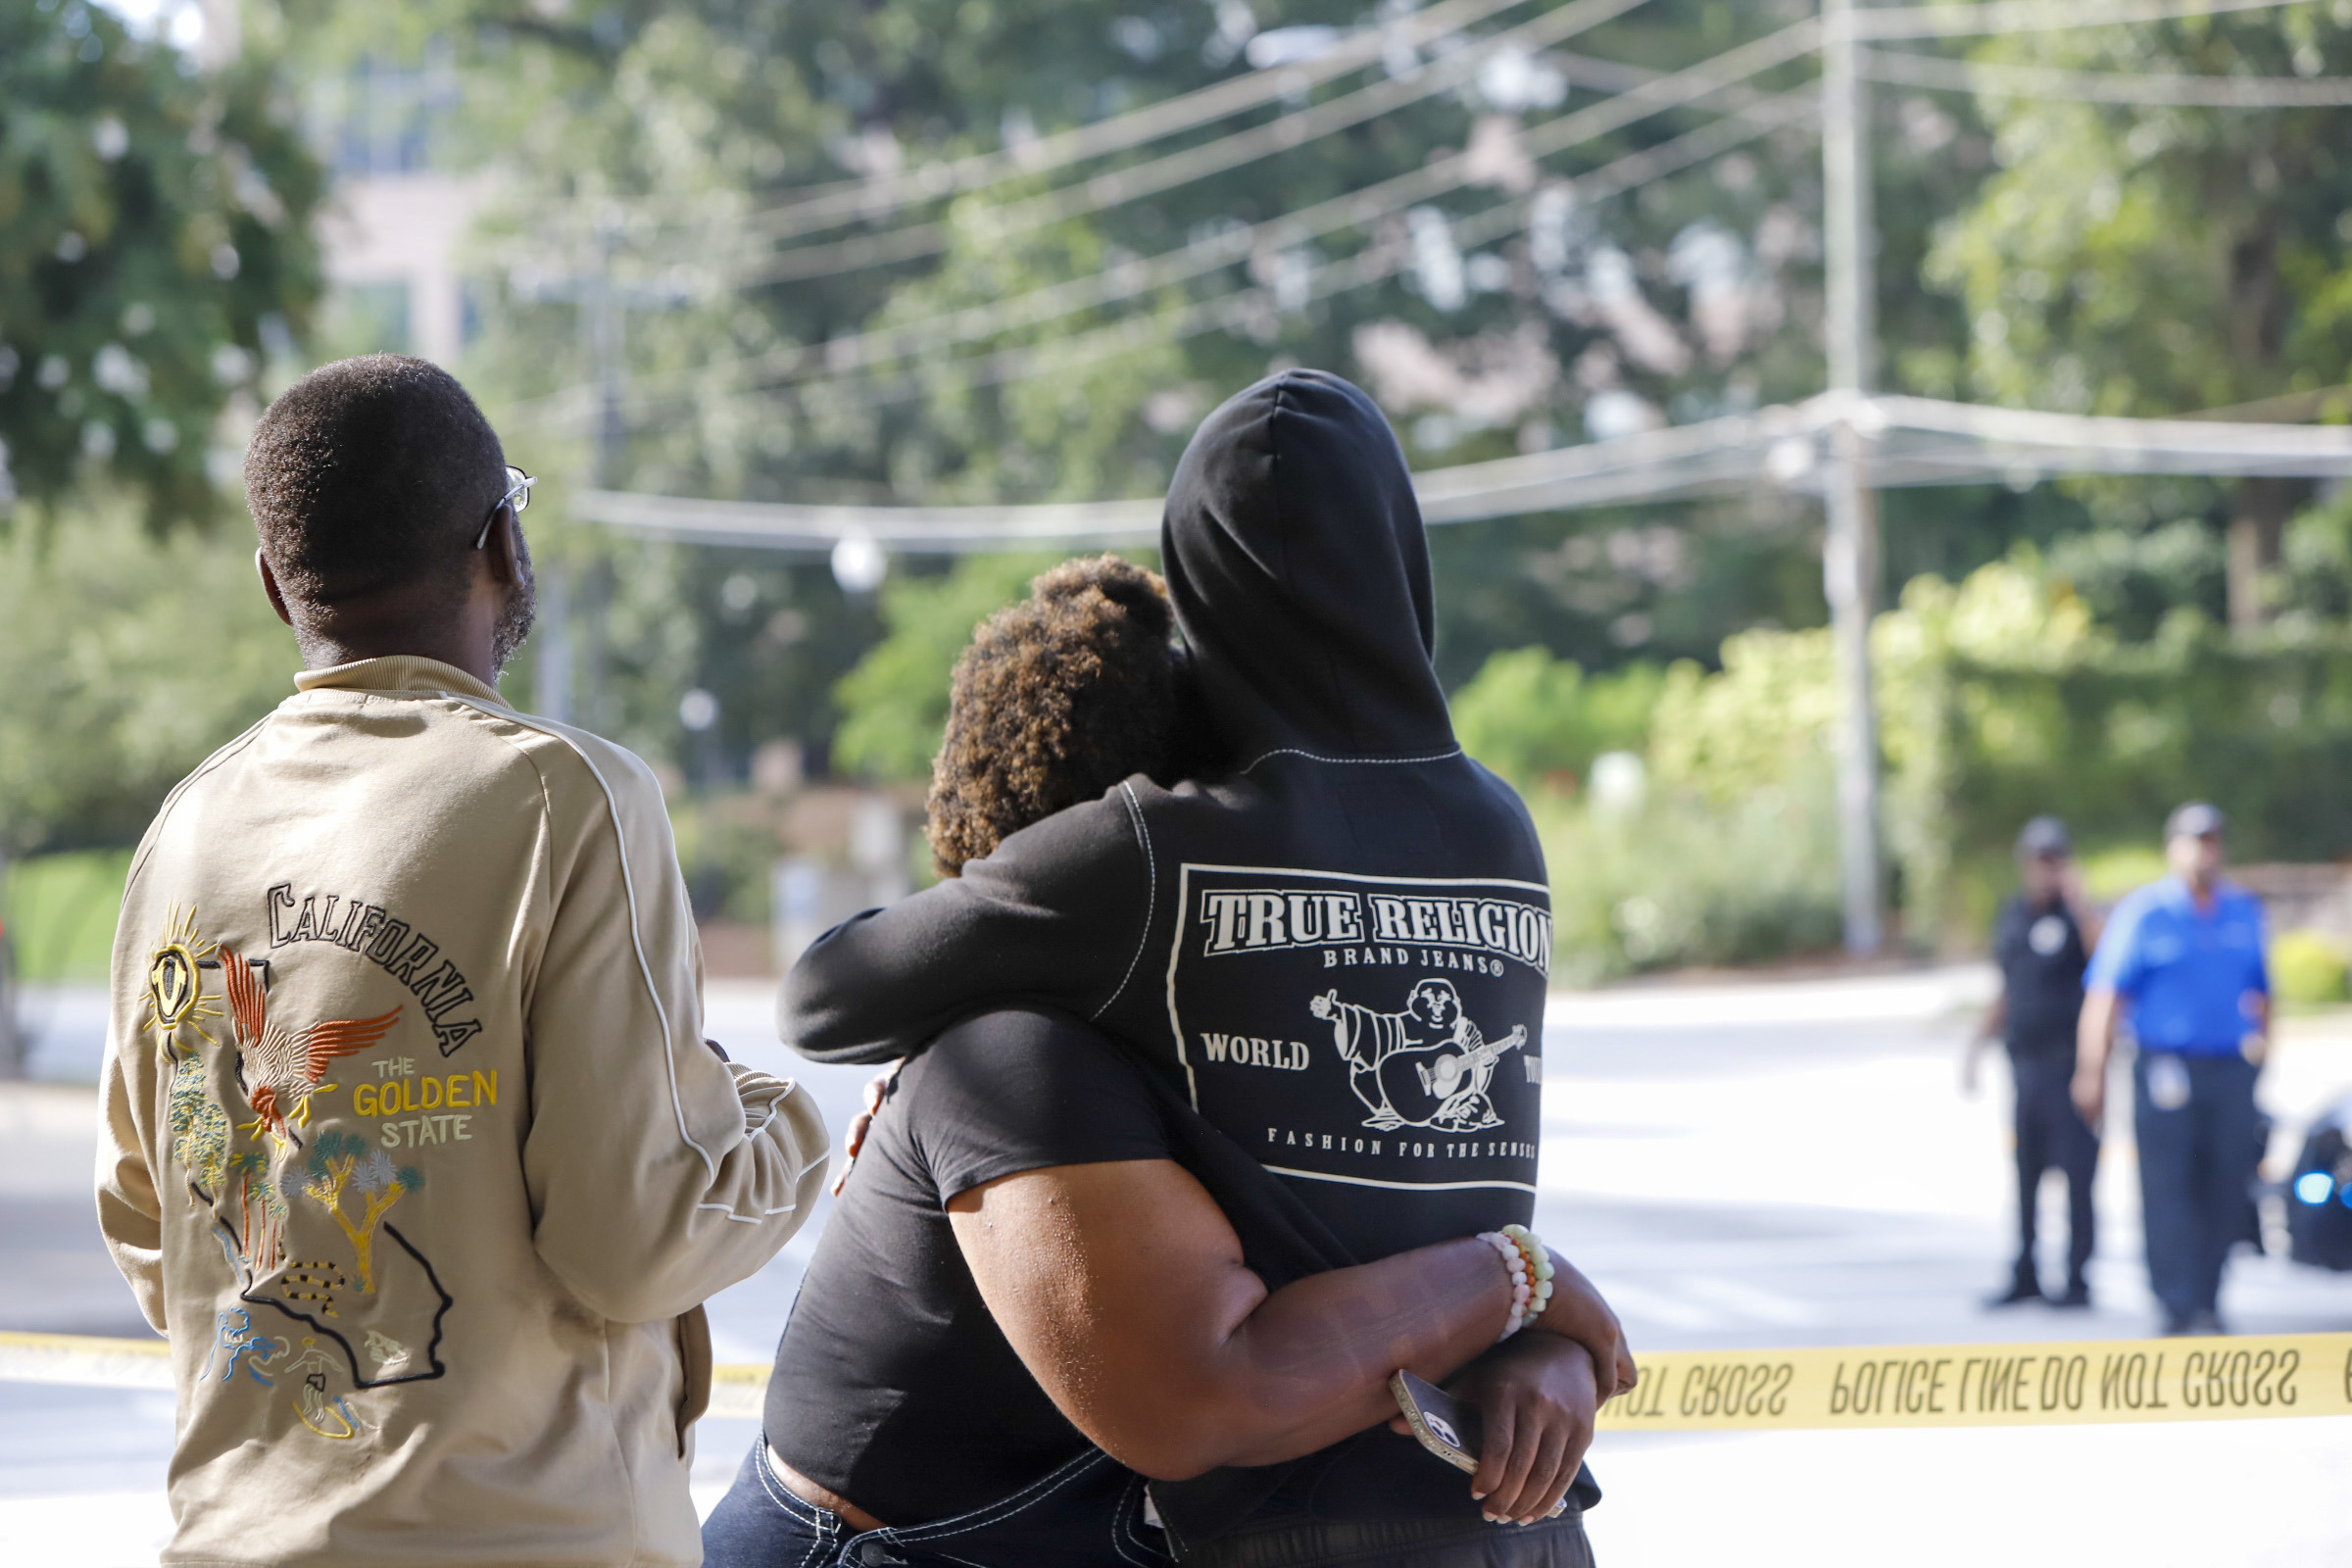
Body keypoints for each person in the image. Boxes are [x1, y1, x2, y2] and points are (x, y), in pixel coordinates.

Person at [775, 370, 1613, 1565]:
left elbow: (823, 994)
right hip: (1492, 1484)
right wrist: (1531, 1302)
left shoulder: (1157, 847)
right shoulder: (1504, 833)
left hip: (1291, 1508)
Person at [95, 354, 829, 1566]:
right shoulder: (564, 797)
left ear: (277, 589)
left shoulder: (184, 834)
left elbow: (154, 1219)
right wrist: (784, 1119)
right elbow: (635, 1235)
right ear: (498, 544)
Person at [2075, 802, 2271, 1336]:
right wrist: (2091, 1069)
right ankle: (2175, 1302)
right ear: (2173, 847)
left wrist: (2262, 1058)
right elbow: (2106, 996)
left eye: (2212, 841)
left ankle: (2209, 1297)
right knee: (2169, 1187)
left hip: (2228, 1069)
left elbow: (2262, 992)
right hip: (2166, 1068)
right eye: (2193, 840)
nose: (2203, 851)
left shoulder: (2243, 911)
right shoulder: (2145, 913)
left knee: (2225, 1184)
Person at [1965, 816, 2102, 1308]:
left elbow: (2104, 965)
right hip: (2026, 1063)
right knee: (2027, 1173)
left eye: (2055, 859)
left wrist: (2080, 900)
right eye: (2039, 860)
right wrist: (1976, 1047)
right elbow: (2007, 985)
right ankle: (2026, 1272)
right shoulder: (2015, 915)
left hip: (2070, 1064)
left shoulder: (2077, 917)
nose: (2046, 870)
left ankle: (2078, 1278)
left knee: (2077, 1175)